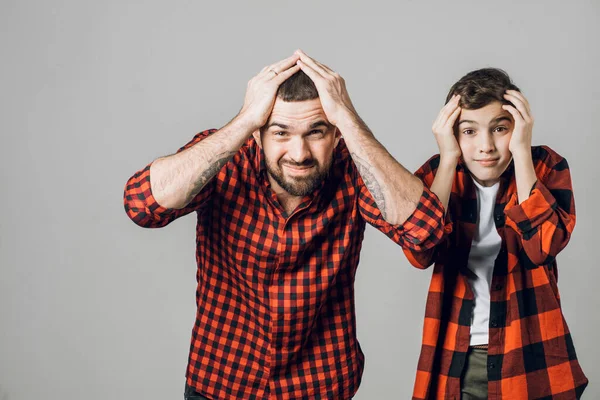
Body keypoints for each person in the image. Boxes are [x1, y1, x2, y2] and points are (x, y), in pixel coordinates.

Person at [123, 50, 447, 400]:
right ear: (258, 133)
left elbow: (427, 234)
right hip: (222, 383)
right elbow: (142, 207)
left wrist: (349, 119)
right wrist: (244, 120)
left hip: (320, 385)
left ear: (335, 133)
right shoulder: (228, 159)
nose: (299, 153)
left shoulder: (352, 169)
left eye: (316, 132)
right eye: (280, 133)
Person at [404, 68, 588, 399]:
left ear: (518, 128)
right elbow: (419, 251)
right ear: (452, 134)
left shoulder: (545, 167)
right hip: (457, 356)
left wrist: (521, 153)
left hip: (533, 355)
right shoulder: (436, 175)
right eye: (469, 131)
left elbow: (544, 247)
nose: (486, 146)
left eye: (500, 129)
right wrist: (448, 159)